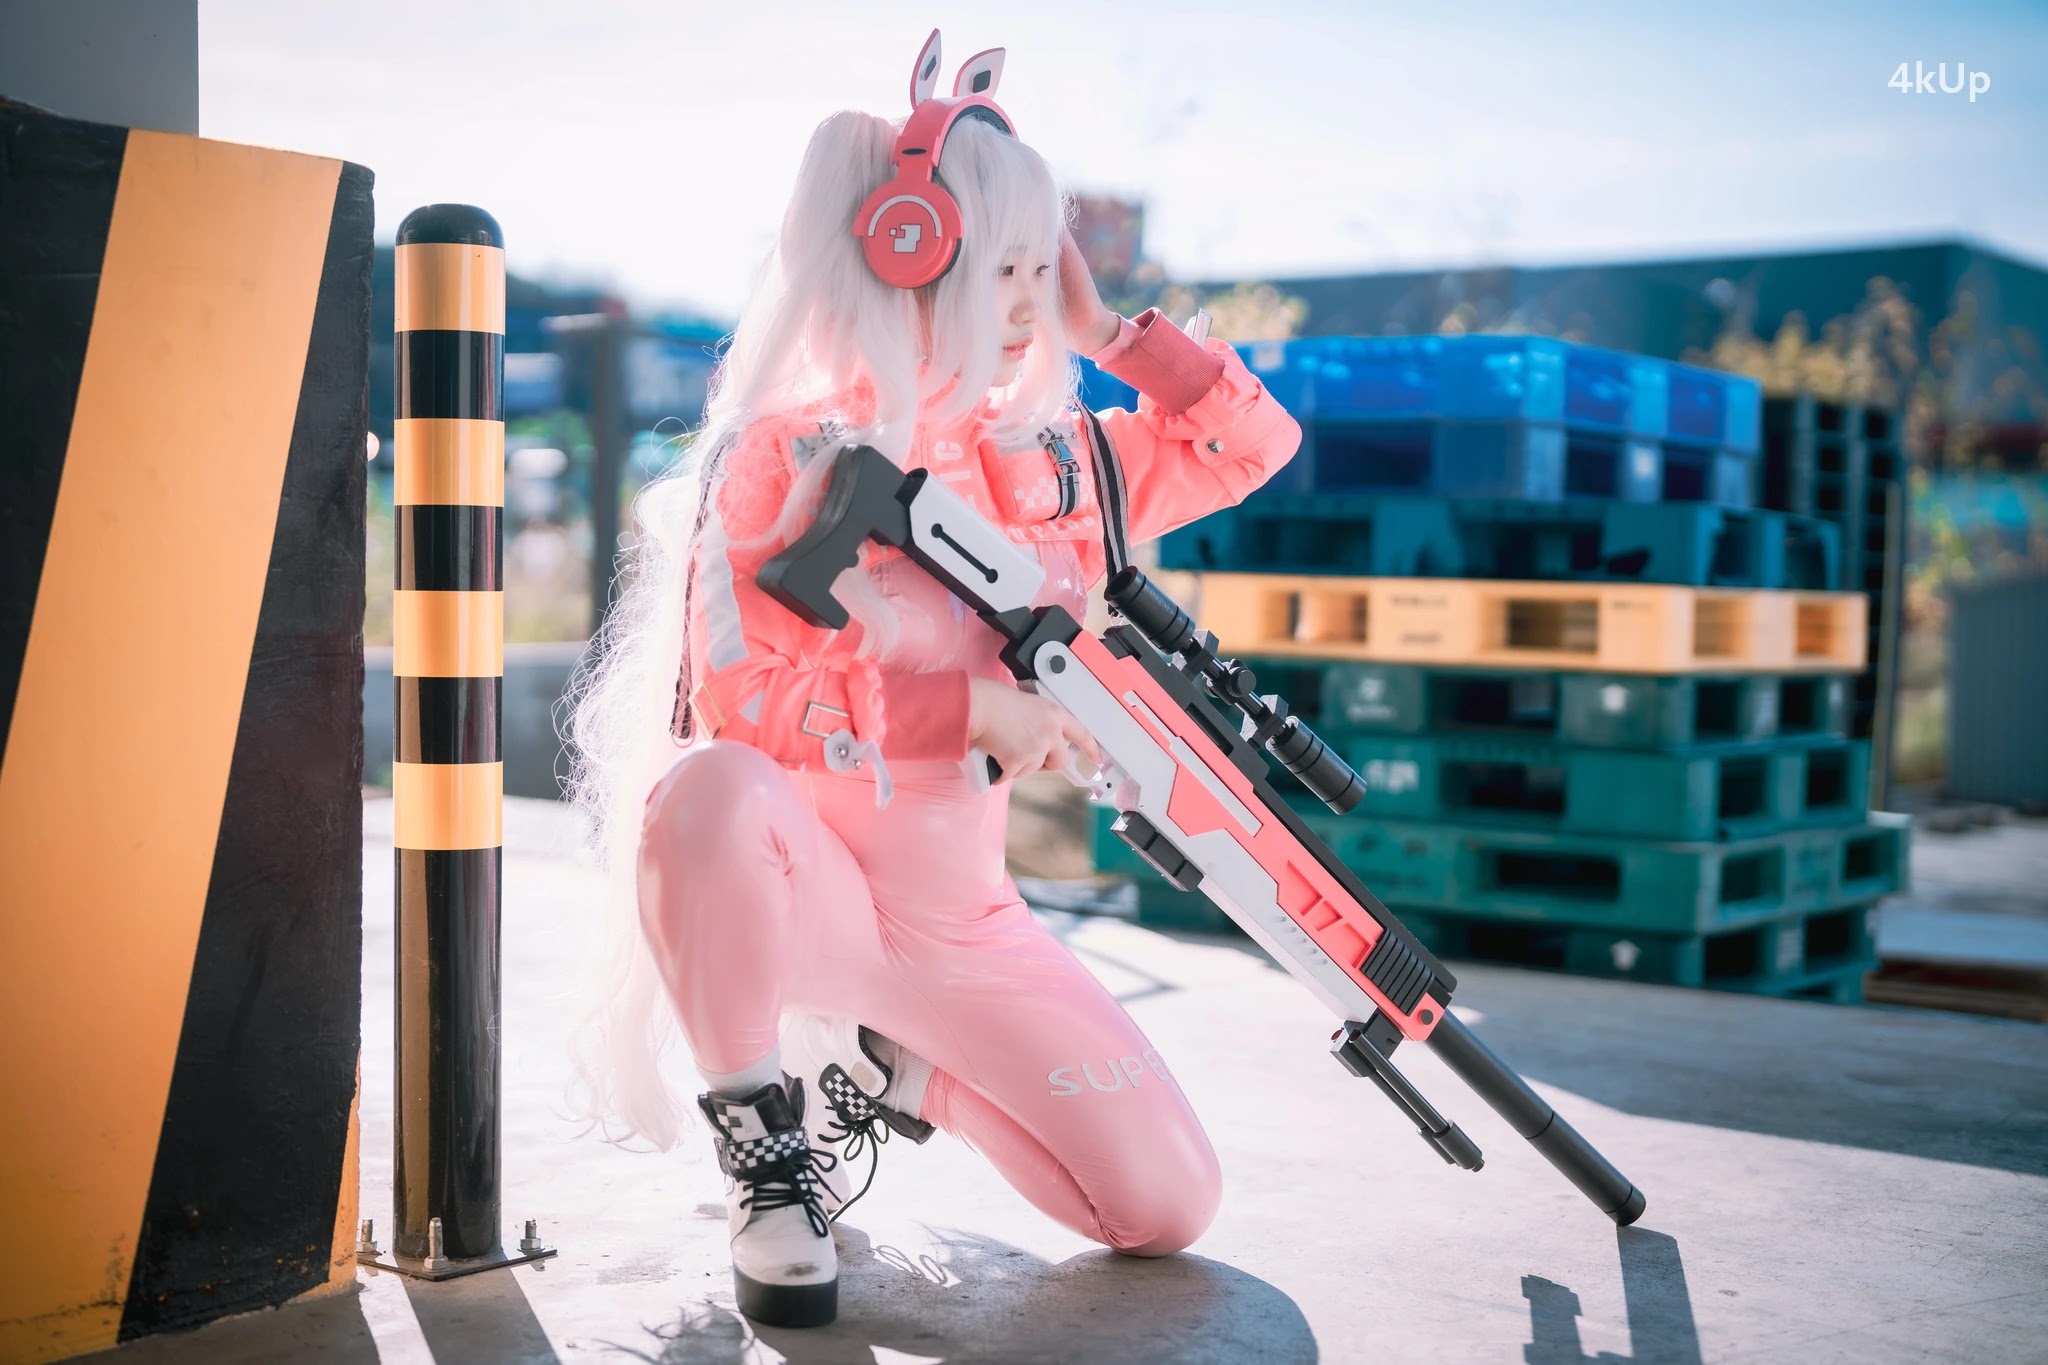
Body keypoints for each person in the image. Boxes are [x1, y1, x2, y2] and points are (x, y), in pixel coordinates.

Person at [566, 30, 1302, 1330]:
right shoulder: (785, 454)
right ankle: (765, 1149)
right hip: (810, 894)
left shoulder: (1057, 459)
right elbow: (744, 705)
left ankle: (891, 1064)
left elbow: (1251, 445)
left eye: (1039, 263)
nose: (1027, 297)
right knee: (704, 791)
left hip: (965, 925)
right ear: (907, 252)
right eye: (1001, 264)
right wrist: (964, 710)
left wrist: (1109, 330)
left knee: (1163, 1209)